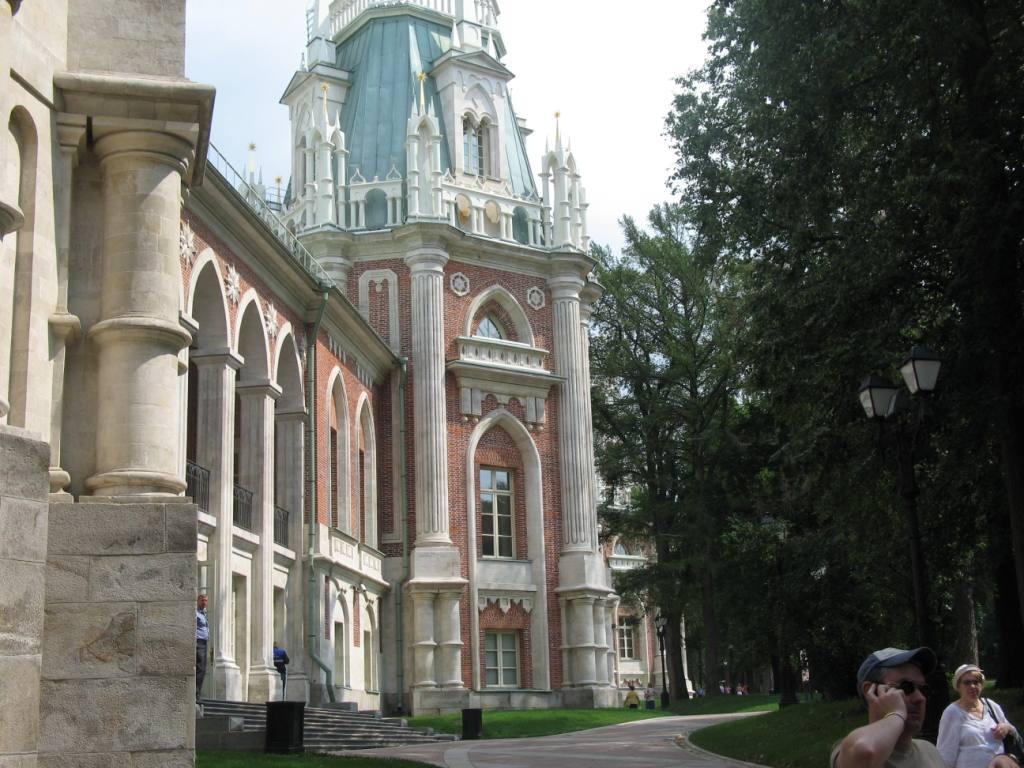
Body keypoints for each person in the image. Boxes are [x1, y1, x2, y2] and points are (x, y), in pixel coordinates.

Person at [832, 646, 946, 768]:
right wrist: (896, 713)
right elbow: (864, 750)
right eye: (906, 687)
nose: (920, 698)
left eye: (923, 689)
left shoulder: (929, 749)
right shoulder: (849, 752)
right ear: (871, 691)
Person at [937, 663, 1020, 768]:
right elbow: (945, 754)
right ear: (958, 686)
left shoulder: (991, 706)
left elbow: (1014, 732)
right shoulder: (952, 713)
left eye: (976, 682)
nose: (972, 686)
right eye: (967, 683)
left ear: (981, 685)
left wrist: (1006, 727)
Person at [195, 594, 209, 707]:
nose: (205, 603)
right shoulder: (195, 613)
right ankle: (196, 694)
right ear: (198, 601)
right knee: (200, 669)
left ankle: (197, 693)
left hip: (204, 643)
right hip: (198, 642)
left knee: (202, 669)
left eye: (206, 601)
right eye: (203, 600)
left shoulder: (203, 613)